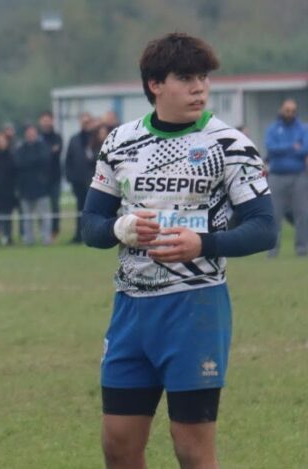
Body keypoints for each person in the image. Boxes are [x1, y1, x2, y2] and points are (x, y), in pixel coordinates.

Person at [81, 32, 275, 469]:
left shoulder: (229, 145)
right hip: (131, 310)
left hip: (196, 308)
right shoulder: (120, 142)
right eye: (186, 78)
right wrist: (122, 227)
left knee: (191, 448)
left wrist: (203, 243)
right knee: (118, 445)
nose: (199, 88)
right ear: (154, 84)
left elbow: (264, 229)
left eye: (203, 78)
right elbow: (91, 226)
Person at [263, 98, 307, 257]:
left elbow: (304, 149)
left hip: (299, 176)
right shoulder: (273, 129)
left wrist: (286, 150)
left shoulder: (303, 128)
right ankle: (273, 249)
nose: (290, 113)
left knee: (302, 214)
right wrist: (291, 147)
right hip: (276, 176)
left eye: (293, 111)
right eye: (287, 110)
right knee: (275, 214)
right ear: (281, 110)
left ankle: (302, 249)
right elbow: (271, 148)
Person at [14, 125, 53, 245]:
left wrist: (29, 161)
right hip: (25, 188)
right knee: (27, 217)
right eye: (28, 133)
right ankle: (28, 239)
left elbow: (45, 160)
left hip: (41, 187)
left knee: (44, 216)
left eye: (33, 132)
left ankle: (46, 238)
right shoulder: (21, 148)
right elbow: (18, 163)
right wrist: (33, 161)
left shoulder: (43, 147)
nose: (30, 135)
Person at [65, 112, 99, 244]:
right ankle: (78, 235)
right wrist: (70, 177)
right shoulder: (74, 139)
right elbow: (68, 160)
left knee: (92, 210)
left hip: (94, 181)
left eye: (88, 122)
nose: (86, 124)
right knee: (79, 209)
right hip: (78, 181)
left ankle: (92, 235)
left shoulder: (96, 139)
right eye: (83, 122)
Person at [38, 111, 63, 240]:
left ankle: (55, 230)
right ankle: (43, 231)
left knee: (54, 205)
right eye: (44, 120)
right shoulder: (38, 137)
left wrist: (45, 152)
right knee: (41, 207)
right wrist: (48, 151)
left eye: (48, 120)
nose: (46, 122)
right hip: (41, 178)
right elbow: (42, 154)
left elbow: (56, 152)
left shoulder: (57, 137)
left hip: (55, 177)